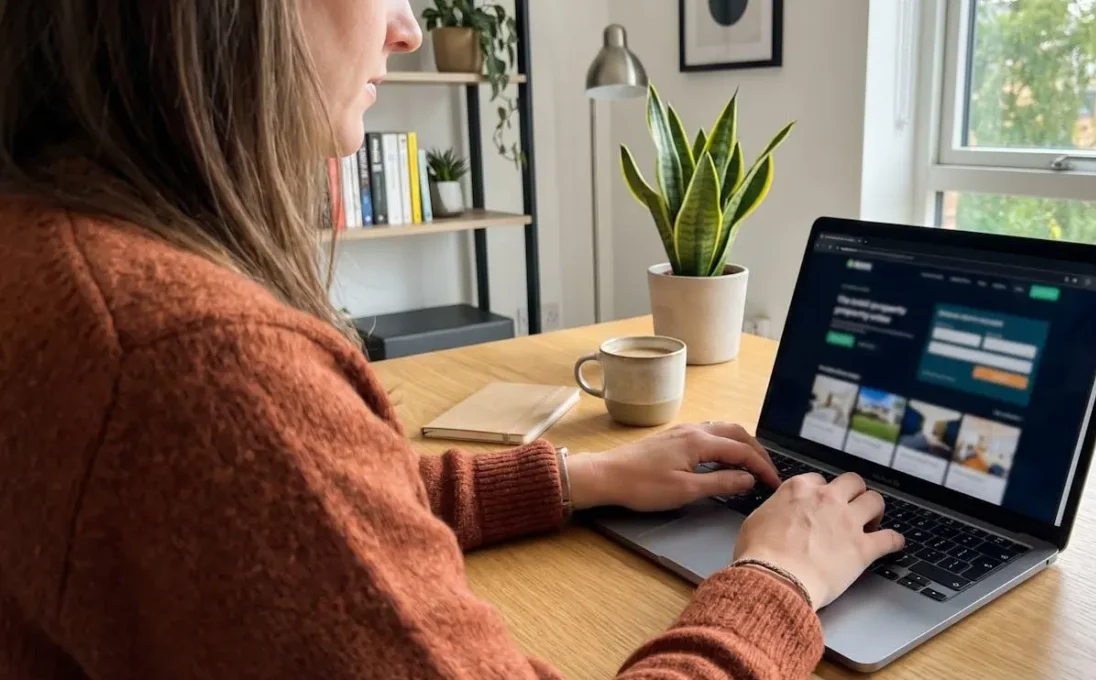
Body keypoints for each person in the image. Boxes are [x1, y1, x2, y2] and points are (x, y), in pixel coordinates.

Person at [0, 1, 905, 678]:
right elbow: (282, 469)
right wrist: (780, 582)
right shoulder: (198, 359)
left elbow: (318, 497)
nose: (405, 26)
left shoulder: (51, 252)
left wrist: (574, 476)